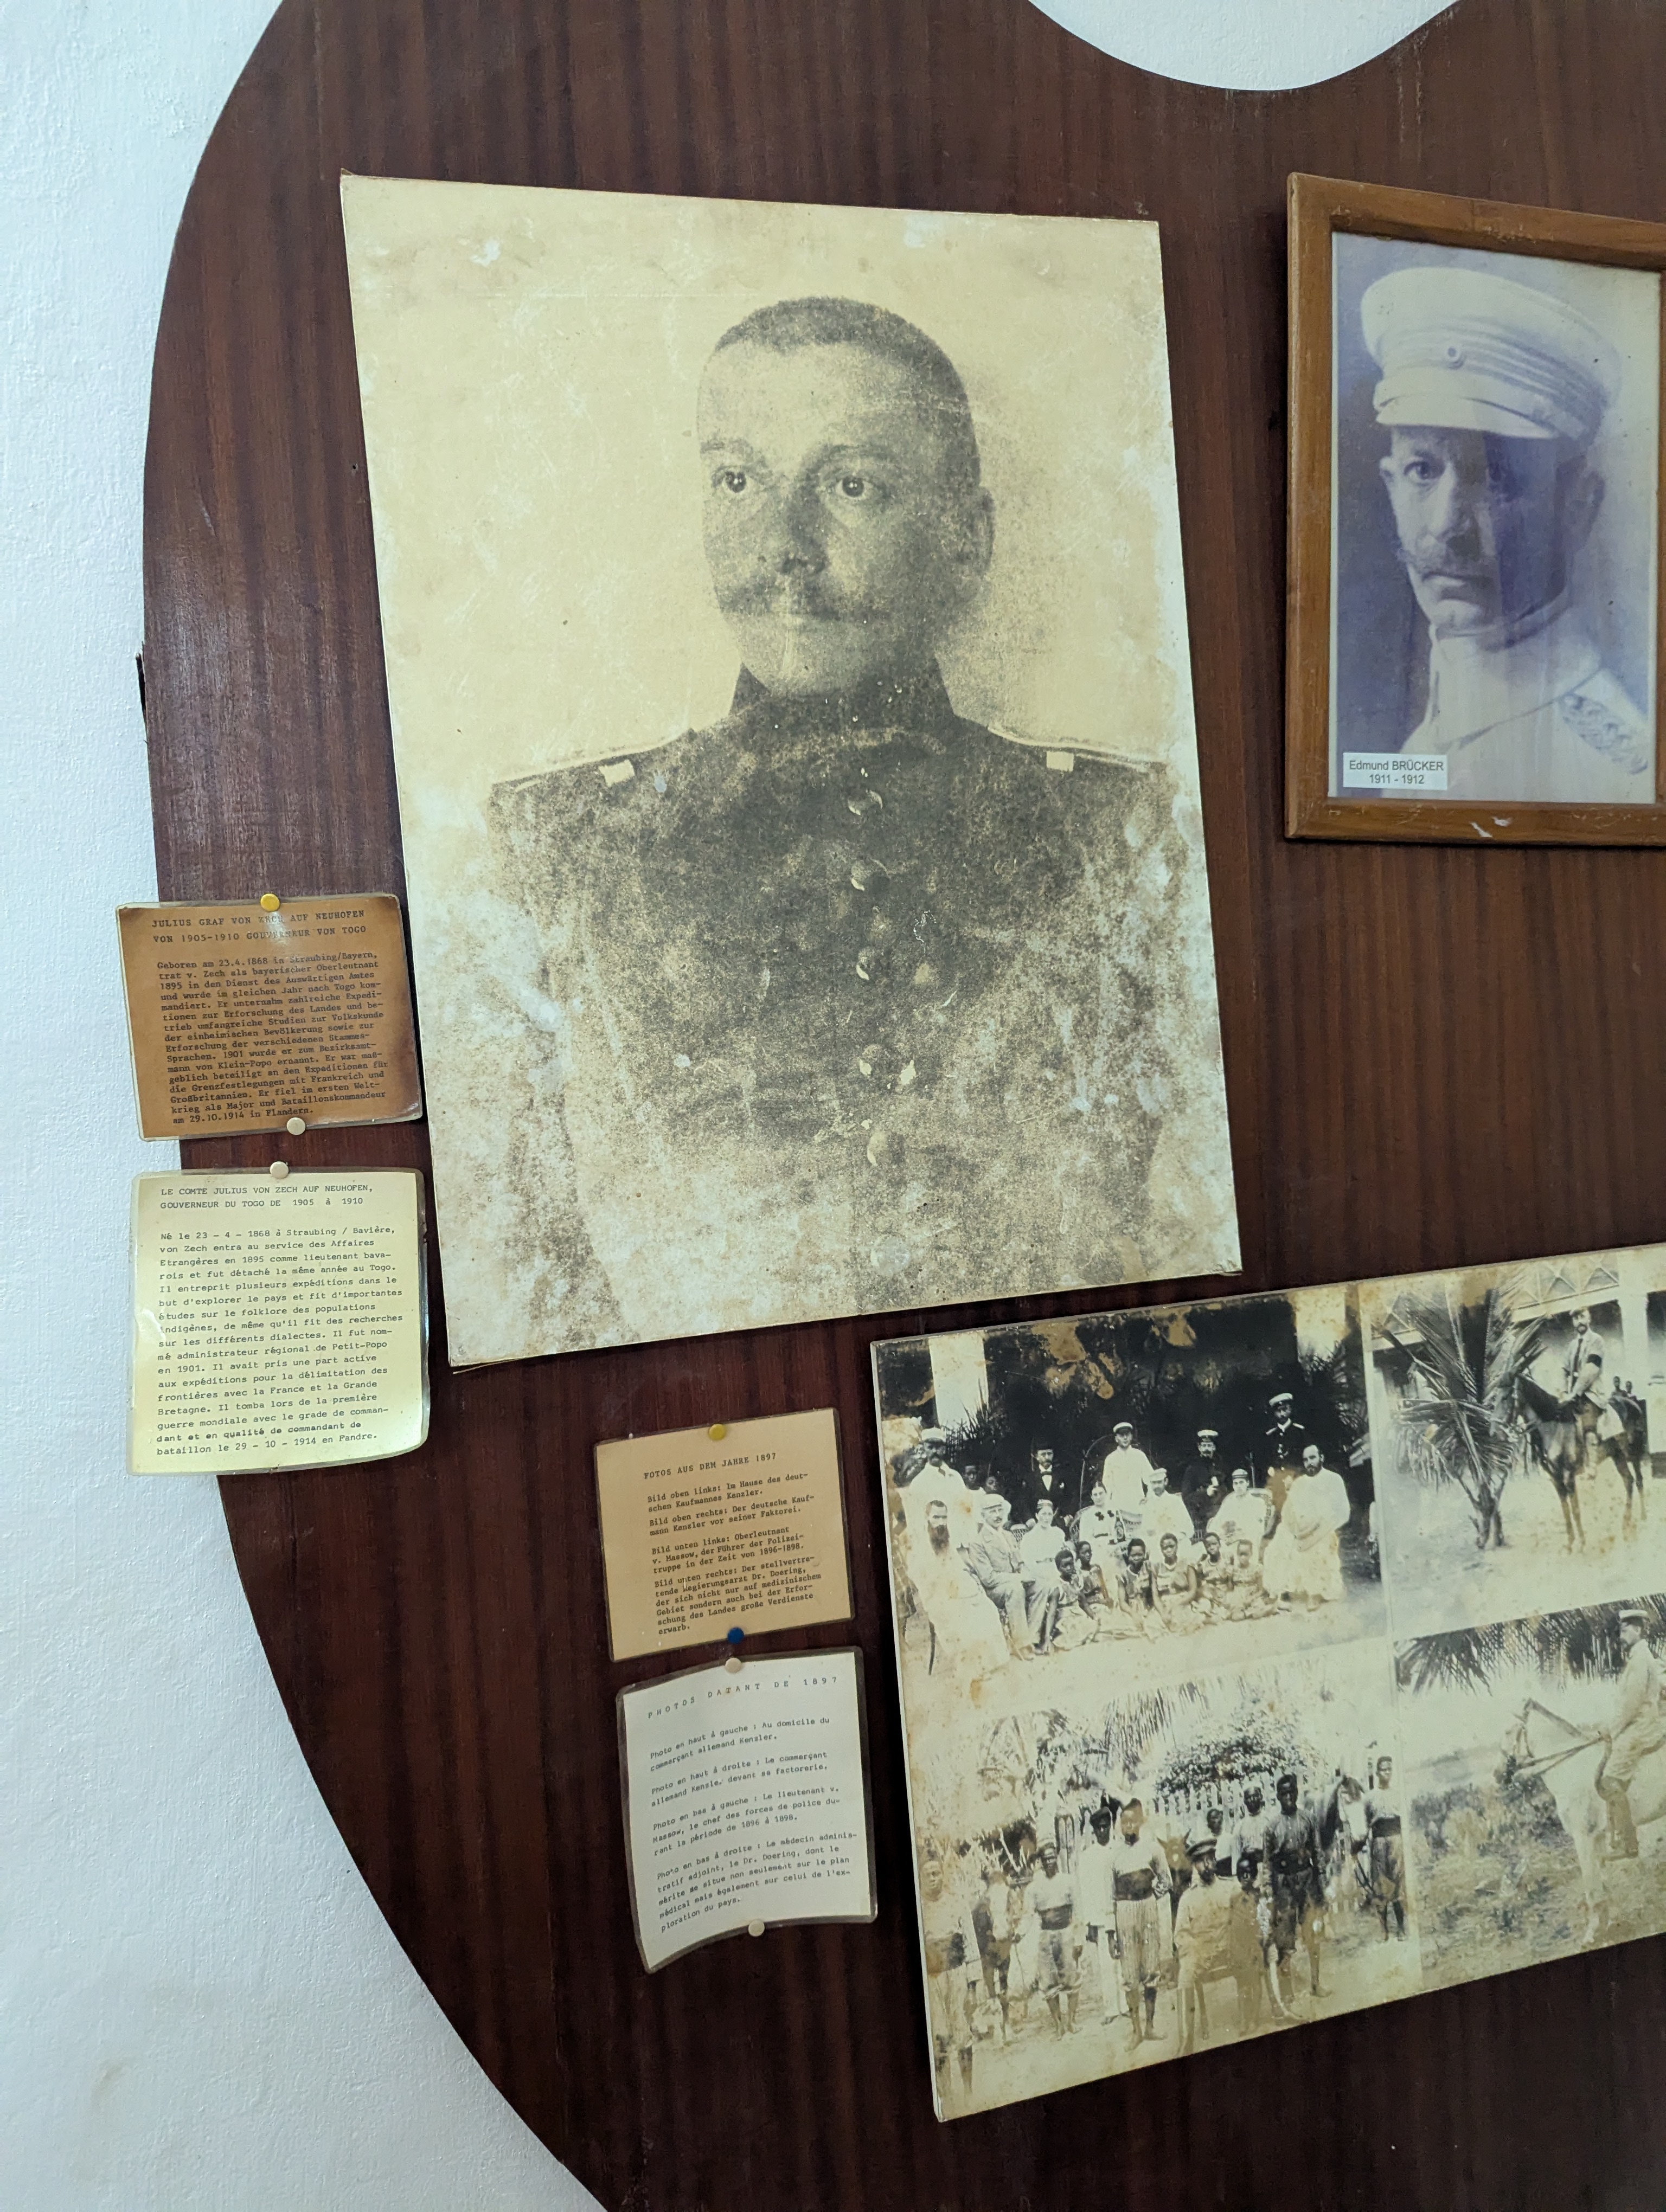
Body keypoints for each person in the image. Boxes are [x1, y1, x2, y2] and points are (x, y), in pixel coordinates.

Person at [489, 294, 1220, 1349]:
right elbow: (530, 1273)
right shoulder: (559, 844)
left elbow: (1176, 1234)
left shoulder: (1115, 835)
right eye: (738, 480)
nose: (783, 544)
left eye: (851, 486)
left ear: (966, 539)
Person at [1360, 263, 1649, 805]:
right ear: (1391, 484)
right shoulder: (1426, 745)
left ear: (1579, 508)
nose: (1447, 527)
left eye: (1497, 478)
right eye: (1423, 470)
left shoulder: (1614, 779)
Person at [911, 1495, 1009, 1681]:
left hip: (957, 1590)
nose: (941, 1522)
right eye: (936, 1517)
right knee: (962, 1617)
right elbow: (921, 1577)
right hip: (937, 1597)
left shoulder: (945, 1539)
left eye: (944, 1517)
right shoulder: (920, 1544)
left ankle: (989, 1662)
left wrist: (970, 1582)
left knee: (986, 1608)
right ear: (927, 1518)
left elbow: (958, 1566)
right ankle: (973, 1669)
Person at [1598, 1606, 1666, 1859]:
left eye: (1626, 1630)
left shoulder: (1640, 1660)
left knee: (1609, 1780)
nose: (1622, 1636)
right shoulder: (1641, 1657)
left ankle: (1627, 1843)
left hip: (1640, 1727)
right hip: (1640, 1722)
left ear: (1638, 1630)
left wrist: (1612, 1729)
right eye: (1621, 1631)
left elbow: (1631, 1704)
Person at [1108, 1798, 1171, 2043]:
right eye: (1124, 1823)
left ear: (1140, 1823)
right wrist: (1111, 1934)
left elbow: (1166, 1880)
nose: (1129, 1826)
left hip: (1147, 1909)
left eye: (1133, 1822)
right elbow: (1109, 1897)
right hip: (1125, 1913)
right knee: (1130, 1973)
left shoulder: (1152, 1848)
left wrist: (1151, 1896)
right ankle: (1136, 2031)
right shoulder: (1114, 1856)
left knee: (1151, 1968)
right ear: (1120, 1826)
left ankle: (1150, 2026)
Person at [1262, 1444, 1353, 1609]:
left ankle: (1314, 1592)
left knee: (1315, 1548)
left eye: (1313, 1458)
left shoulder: (1334, 1479)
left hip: (1324, 1529)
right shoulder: (1300, 1483)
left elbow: (1343, 1512)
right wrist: (1294, 1529)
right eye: (1306, 1460)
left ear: (1321, 1458)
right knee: (1280, 1543)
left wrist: (1320, 1528)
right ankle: (1284, 1588)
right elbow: (1289, 1511)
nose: (1309, 1463)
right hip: (1302, 1529)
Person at [920, 1853, 981, 2099]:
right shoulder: (920, 1908)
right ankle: (947, 2096)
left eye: (936, 1873)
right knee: (940, 2038)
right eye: (928, 1875)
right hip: (933, 1980)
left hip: (957, 1976)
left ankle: (968, 2092)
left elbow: (971, 1945)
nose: (933, 1879)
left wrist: (973, 1987)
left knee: (962, 2032)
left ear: (943, 1874)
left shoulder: (957, 1903)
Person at [1264, 1774, 1328, 2004]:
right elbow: (1268, 1864)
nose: (1288, 1797)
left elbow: (1318, 1852)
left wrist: (1322, 1881)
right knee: (1285, 1938)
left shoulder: (1308, 1820)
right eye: (1284, 1794)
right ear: (1278, 1796)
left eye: (1292, 1792)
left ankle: (1316, 1983)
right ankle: (1287, 1992)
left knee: (1312, 1933)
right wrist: (1269, 1891)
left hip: (1307, 1879)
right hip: (1284, 1885)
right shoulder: (1272, 1827)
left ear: (1297, 1793)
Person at [1172, 1830, 1234, 2054]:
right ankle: (1186, 2040)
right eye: (1201, 1862)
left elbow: (1245, 1915)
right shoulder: (1188, 1898)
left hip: (1230, 1950)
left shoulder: (1231, 1887)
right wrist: (1194, 1951)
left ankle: (1276, 2007)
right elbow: (1180, 1935)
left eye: (1210, 1859)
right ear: (1195, 1866)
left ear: (1215, 1860)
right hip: (1203, 1956)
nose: (1207, 1866)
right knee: (1185, 1973)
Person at [962, 1491, 1037, 1658]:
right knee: (1015, 1590)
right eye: (992, 1511)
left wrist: (1025, 1573)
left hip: (1015, 1582)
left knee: (1042, 1586)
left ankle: (1034, 1636)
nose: (998, 1515)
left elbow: (1020, 1562)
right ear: (983, 1515)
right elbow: (988, 1579)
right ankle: (1021, 1645)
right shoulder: (977, 1543)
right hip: (995, 1591)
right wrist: (1019, 1578)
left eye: (1000, 1510)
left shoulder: (1008, 1535)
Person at [1075, 1803, 1127, 2024]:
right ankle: (1111, 2009)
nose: (1103, 1831)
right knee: (1106, 1964)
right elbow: (1086, 1891)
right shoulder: (1088, 1857)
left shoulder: (1120, 1849)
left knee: (1124, 1960)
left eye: (1106, 1826)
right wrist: (1089, 1923)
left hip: (1122, 1911)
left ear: (1111, 1826)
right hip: (1101, 1916)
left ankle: (1126, 2004)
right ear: (1094, 1831)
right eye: (1099, 1828)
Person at [1028, 1842, 1080, 2036]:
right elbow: (1028, 1914)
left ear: (1057, 1857)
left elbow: (1078, 1911)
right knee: (1049, 1982)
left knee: (1072, 1978)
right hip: (1046, 1936)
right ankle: (1058, 2025)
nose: (1049, 1861)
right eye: (1045, 1859)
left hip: (1066, 1933)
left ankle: (1072, 2021)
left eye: (1052, 1857)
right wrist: (1019, 1933)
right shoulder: (1034, 1888)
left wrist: (1079, 1939)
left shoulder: (1069, 1881)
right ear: (1041, 1862)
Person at [972, 1860, 1019, 2042]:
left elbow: (1013, 1914)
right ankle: (997, 2027)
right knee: (991, 1986)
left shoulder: (1006, 1894)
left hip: (1003, 1942)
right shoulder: (981, 1904)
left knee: (1004, 1983)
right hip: (988, 1947)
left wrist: (1011, 1927)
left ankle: (1006, 2023)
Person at [1363, 1755, 1407, 1939]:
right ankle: (1384, 1931)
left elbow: (1404, 1820)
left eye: (1389, 1769)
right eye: (1383, 1769)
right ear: (1377, 1772)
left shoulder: (1398, 1794)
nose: (1386, 1773)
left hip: (1396, 1839)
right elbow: (1366, 1822)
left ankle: (1401, 1928)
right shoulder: (1370, 1797)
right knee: (1380, 1884)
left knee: (1398, 1882)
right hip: (1379, 1841)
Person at [1100, 1423, 1156, 1541]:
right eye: (1122, 1436)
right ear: (1116, 1439)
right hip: (1119, 1507)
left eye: (1127, 1435)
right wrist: (1109, 1508)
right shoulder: (1111, 1459)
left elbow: (1151, 1480)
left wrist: (1149, 1497)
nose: (1125, 1438)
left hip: (1138, 1506)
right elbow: (1107, 1487)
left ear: (1131, 1436)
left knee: (1142, 1539)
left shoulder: (1139, 1456)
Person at [1262, 1393, 1308, 1515]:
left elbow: (1304, 1458)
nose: (1282, 1414)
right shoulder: (1270, 1435)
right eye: (1279, 1411)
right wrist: (1270, 1468)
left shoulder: (1299, 1432)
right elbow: (1267, 1458)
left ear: (1290, 1410)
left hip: (1296, 1477)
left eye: (1285, 1409)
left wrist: (1294, 1474)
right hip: (1277, 1478)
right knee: (1276, 1508)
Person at [1211, 1466, 1271, 1558]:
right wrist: (1220, 1535)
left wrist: (1238, 1536)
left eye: (1241, 1483)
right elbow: (1217, 1522)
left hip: (1249, 1542)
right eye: (1236, 1483)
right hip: (1228, 1541)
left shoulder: (1257, 1503)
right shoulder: (1229, 1501)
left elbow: (1258, 1529)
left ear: (1247, 1483)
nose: (1238, 1486)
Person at [1179, 1427, 1226, 1536]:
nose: (1207, 1449)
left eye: (1209, 1446)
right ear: (1199, 1448)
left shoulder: (1221, 1466)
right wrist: (1205, 1493)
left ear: (1214, 1447)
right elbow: (1186, 1497)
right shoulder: (1193, 1469)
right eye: (1204, 1446)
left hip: (1222, 1512)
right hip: (1202, 1516)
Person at [1151, 1531, 1200, 1629]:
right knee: (1152, 1624)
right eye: (1165, 1548)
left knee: (1181, 1625)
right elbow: (1155, 1596)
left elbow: (1193, 1591)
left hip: (1182, 1603)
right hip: (1164, 1604)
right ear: (1161, 1550)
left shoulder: (1187, 1564)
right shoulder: (1156, 1568)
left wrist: (1174, 1606)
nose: (1169, 1550)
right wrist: (1163, 1612)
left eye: (1171, 1546)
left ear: (1177, 1547)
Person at [1143, 1466, 1196, 1557]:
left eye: (1159, 1482)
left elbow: (1188, 1527)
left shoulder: (1176, 1501)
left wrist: (1175, 1538)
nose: (1157, 1486)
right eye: (1154, 1483)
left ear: (1166, 1482)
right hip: (1157, 1546)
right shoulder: (1148, 1505)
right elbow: (1145, 1530)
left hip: (1176, 1543)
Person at [1227, 1783, 1273, 1887]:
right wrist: (1236, 1877)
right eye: (1249, 1797)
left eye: (1255, 1796)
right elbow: (1236, 1854)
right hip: (1249, 1872)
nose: (1252, 1800)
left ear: (1261, 1797)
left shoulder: (1270, 1821)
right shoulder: (1240, 1826)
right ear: (1245, 1801)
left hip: (1268, 1869)